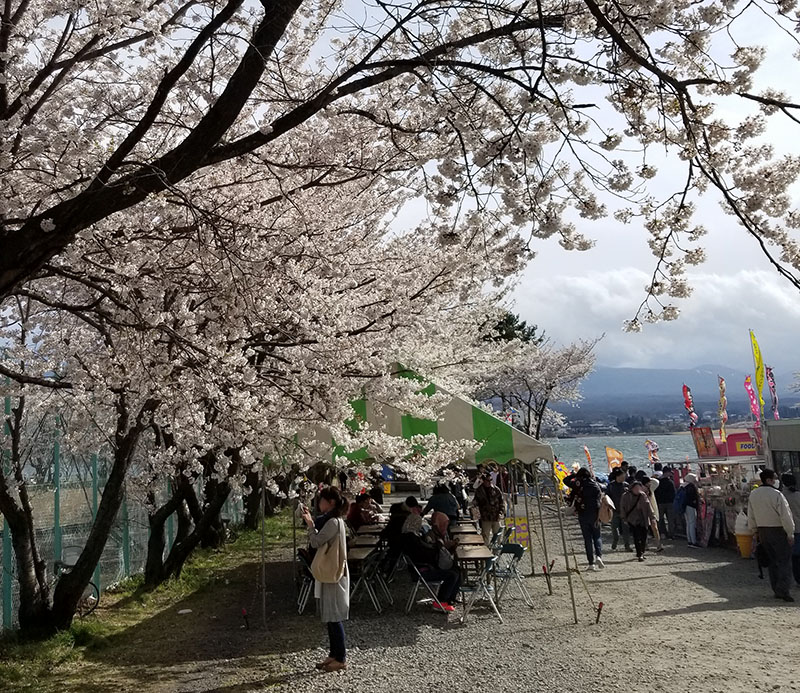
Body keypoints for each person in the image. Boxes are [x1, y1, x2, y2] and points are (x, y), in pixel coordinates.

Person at [301, 487, 350, 672]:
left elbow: (315, 542)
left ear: (330, 503)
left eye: (321, 500)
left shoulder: (333, 523)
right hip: (334, 572)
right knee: (330, 616)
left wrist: (310, 524)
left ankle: (341, 657)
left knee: (334, 616)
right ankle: (333, 654)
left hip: (334, 574)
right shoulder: (336, 521)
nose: (318, 503)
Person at [748, 469, 795, 601]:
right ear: (769, 480)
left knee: (772, 561)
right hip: (778, 530)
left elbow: (751, 515)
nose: (776, 480)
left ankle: (776, 588)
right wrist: (790, 533)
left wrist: (754, 531)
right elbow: (785, 515)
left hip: (762, 530)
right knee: (784, 561)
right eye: (774, 478)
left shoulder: (754, 494)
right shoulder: (776, 494)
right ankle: (783, 590)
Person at [401, 512, 461, 612]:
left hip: (421, 568)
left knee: (456, 570)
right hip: (422, 571)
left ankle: (449, 599)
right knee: (451, 574)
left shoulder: (409, 536)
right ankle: (440, 601)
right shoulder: (412, 539)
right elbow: (423, 554)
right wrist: (438, 547)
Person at [564, 468, 604, 570]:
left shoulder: (578, 484)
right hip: (595, 513)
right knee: (597, 536)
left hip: (583, 513)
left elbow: (565, 481)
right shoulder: (595, 484)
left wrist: (573, 475)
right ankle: (598, 556)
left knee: (587, 539)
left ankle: (591, 563)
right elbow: (602, 494)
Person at [620, 481, 655, 561]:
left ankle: (642, 551)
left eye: (639, 488)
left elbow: (648, 507)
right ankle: (639, 554)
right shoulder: (625, 496)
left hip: (643, 518)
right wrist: (623, 518)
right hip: (632, 519)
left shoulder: (643, 495)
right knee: (636, 537)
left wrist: (652, 517)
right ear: (632, 488)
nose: (637, 490)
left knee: (644, 537)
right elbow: (622, 507)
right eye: (636, 488)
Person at [473, 472, 505, 545]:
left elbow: (502, 502)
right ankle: (486, 553)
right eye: (488, 480)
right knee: (485, 536)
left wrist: (501, 513)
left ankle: (496, 552)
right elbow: (475, 503)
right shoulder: (479, 491)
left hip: (496, 516)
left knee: (497, 536)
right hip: (485, 517)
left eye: (491, 480)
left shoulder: (496, 489)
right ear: (483, 481)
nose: (489, 482)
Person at [781, 473, 800, 586]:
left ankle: (797, 578)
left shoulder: (781, 496)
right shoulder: (798, 495)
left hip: (789, 530)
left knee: (794, 556)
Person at [606, 467, 632, 552]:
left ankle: (627, 545)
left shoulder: (626, 485)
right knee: (614, 527)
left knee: (626, 529)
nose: (624, 477)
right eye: (622, 475)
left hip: (625, 511)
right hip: (614, 510)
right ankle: (615, 540)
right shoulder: (611, 485)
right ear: (618, 476)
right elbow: (607, 496)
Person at [642, 475, 664, 552]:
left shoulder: (650, 489)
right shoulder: (640, 490)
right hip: (644, 511)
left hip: (651, 510)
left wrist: (651, 477)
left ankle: (658, 544)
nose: (650, 483)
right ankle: (646, 544)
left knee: (654, 527)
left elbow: (657, 482)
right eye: (648, 482)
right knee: (645, 528)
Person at [654, 468, 676, 538]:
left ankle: (662, 533)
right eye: (670, 472)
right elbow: (674, 493)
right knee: (670, 519)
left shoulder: (658, 482)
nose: (670, 474)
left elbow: (656, 493)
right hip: (669, 503)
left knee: (660, 519)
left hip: (660, 502)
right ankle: (671, 534)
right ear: (667, 473)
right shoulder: (670, 482)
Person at [682, 473, 700, 547]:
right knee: (692, 523)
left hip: (685, 506)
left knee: (688, 524)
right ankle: (694, 541)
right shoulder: (691, 486)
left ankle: (689, 540)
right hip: (690, 506)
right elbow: (694, 497)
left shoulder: (683, 486)